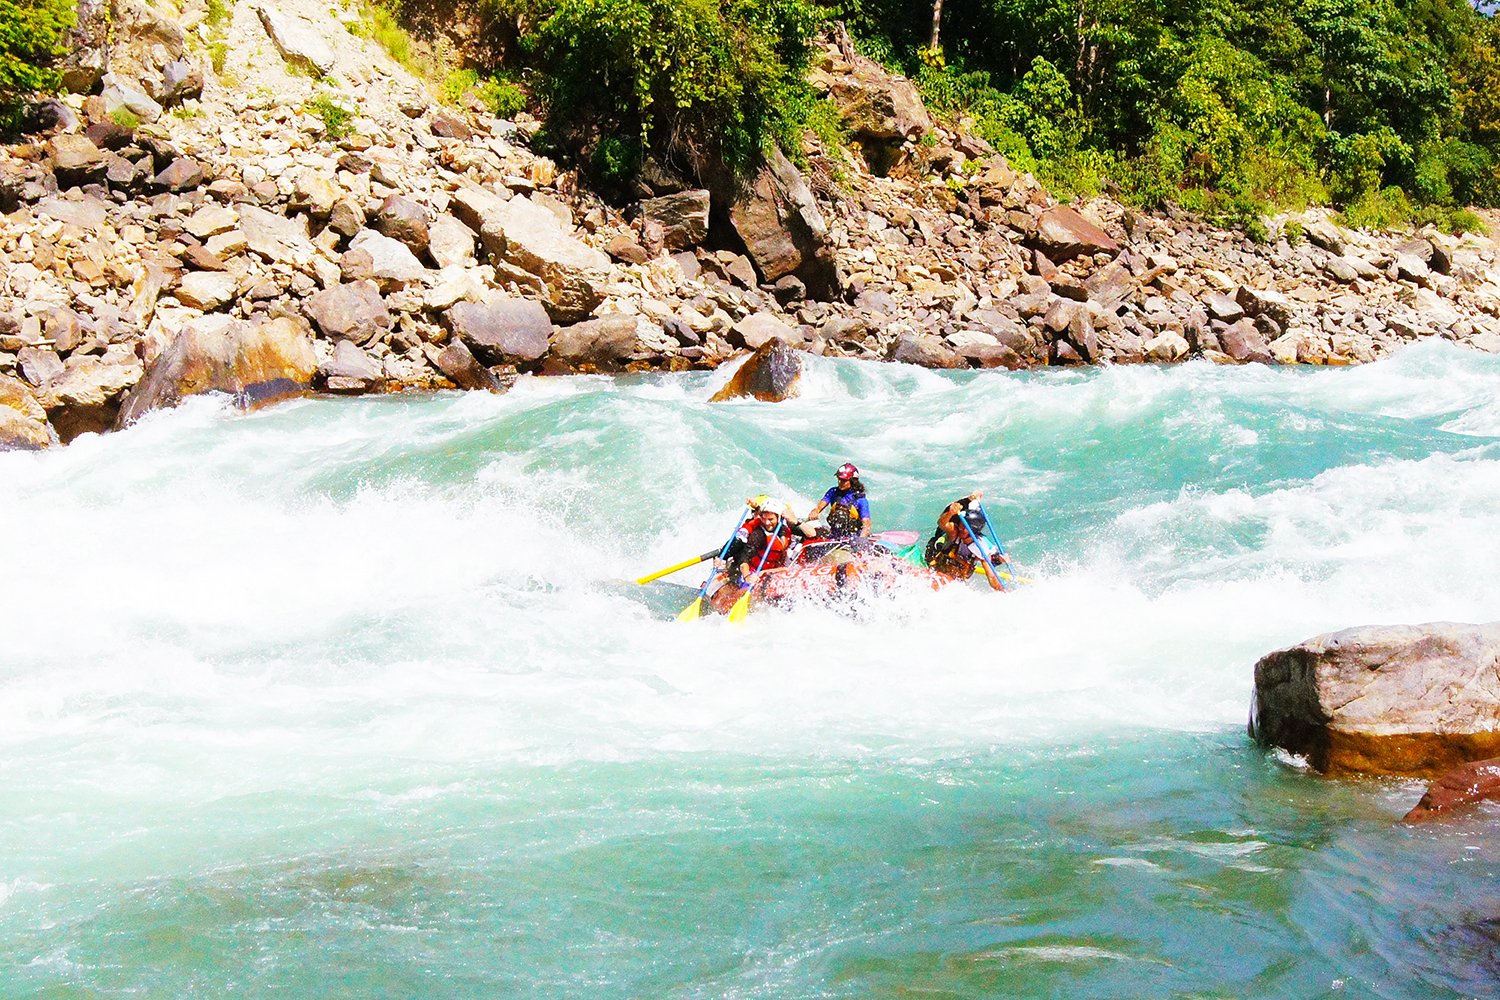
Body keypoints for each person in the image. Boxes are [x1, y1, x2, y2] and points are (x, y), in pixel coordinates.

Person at [925, 490, 1008, 591]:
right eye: (962, 526)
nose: (962, 530)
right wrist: (950, 513)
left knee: (994, 559)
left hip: (954, 581)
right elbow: (942, 523)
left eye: (967, 528)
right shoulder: (954, 532)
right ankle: (967, 500)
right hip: (934, 569)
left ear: (975, 531)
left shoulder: (980, 549)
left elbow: (992, 578)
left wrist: (1004, 591)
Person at [734, 501, 798, 588]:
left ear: (778, 518)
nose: (767, 523)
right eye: (764, 519)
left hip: (774, 571)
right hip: (754, 572)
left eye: (771, 519)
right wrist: (747, 576)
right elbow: (744, 557)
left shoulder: (785, 531)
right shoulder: (759, 535)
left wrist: (797, 522)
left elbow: (812, 534)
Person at [806, 463, 871, 541]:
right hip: (834, 534)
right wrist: (815, 511)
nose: (840, 482)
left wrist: (860, 541)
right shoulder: (833, 492)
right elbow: (819, 508)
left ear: (853, 481)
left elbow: (866, 525)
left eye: (844, 480)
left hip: (852, 537)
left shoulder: (860, 500)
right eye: (839, 479)